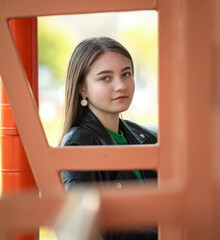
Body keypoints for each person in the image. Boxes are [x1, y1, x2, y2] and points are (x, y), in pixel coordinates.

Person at [60, 37, 157, 240]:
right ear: (82, 89)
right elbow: (81, 231)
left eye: (126, 73)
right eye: (105, 78)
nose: (121, 85)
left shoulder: (142, 135)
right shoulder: (78, 144)